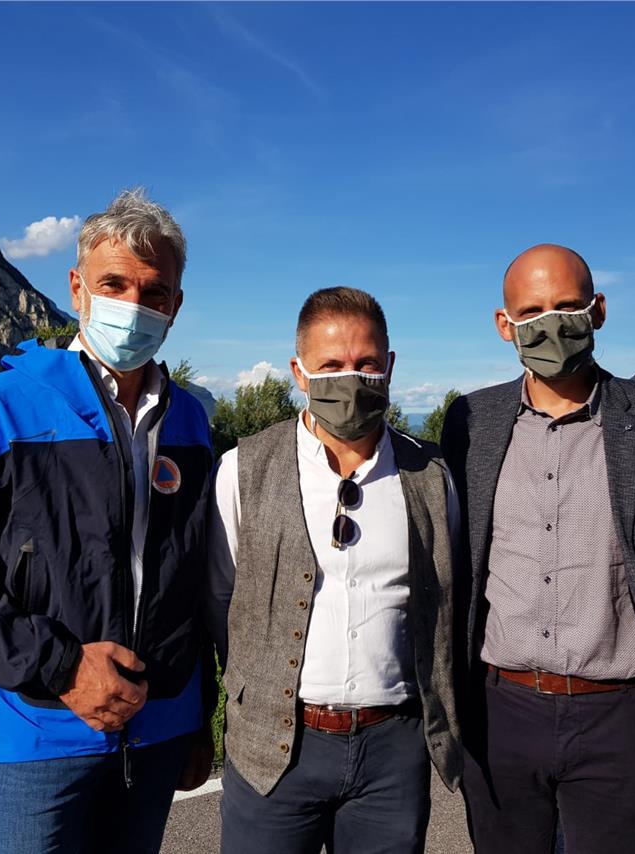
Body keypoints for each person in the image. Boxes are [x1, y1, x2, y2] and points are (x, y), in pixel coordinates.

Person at [0, 188, 215, 854]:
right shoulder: (0, 407)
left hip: (164, 729)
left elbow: (200, 579)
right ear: (77, 288)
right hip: (44, 731)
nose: (134, 305)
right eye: (114, 284)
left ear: (176, 306)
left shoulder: (191, 419)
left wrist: (199, 714)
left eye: (155, 292)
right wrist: (63, 666)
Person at [440, 244, 635, 854]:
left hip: (622, 718)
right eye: (531, 312)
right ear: (504, 324)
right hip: (498, 713)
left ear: (598, 310)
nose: (549, 325)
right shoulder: (470, 420)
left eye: (567, 306)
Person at [205, 287, 462, 854]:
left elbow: (445, 597)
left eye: (366, 364)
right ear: (299, 371)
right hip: (274, 745)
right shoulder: (242, 469)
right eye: (330, 367)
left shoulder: (431, 475)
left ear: (389, 366)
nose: (351, 380)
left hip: (393, 750)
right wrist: (252, 691)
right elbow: (222, 598)